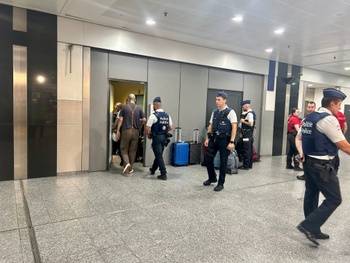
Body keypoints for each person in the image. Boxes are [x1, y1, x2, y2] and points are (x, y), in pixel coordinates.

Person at [295, 88, 350, 246]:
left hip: (309, 163)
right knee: (334, 198)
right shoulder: (329, 119)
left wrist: (302, 153)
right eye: (339, 104)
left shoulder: (309, 117)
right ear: (332, 103)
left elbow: (299, 138)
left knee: (311, 195)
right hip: (322, 165)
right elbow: (344, 146)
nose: (340, 108)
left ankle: (314, 229)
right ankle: (308, 225)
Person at [203, 91, 237, 191]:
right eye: (216, 99)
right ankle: (212, 177)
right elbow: (210, 125)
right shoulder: (215, 112)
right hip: (214, 138)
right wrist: (207, 138)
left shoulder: (230, 112)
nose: (217, 101)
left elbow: (234, 127)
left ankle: (221, 183)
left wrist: (232, 142)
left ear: (224, 100)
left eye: (219, 100)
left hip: (225, 139)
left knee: (223, 161)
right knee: (208, 159)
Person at [116, 94, 146, 175]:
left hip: (126, 130)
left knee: (123, 148)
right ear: (135, 100)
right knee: (133, 150)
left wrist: (118, 130)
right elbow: (144, 119)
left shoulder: (124, 107)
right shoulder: (139, 107)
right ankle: (130, 168)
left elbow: (120, 120)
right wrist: (140, 125)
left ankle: (127, 163)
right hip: (136, 131)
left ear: (128, 99)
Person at [145, 97, 173, 180]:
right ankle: (153, 169)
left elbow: (147, 127)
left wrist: (148, 135)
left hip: (157, 137)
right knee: (159, 154)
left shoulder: (153, 116)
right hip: (164, 137)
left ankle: (163, 173)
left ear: (155, 106)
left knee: (159, 155)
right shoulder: (167, 115)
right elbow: (170, 127)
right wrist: (163, 130)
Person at [297, 101, 316, 180]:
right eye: (309, 107)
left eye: (312, 107)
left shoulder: (317, 118)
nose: (310, 109)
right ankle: (306, 174)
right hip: (306, 142)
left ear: (315, 108)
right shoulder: (306, 118)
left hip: (314, 143)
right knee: (305, 159)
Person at [238, 100, 256, 170]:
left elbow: (251, 124)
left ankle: (245, 166)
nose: (242, 108)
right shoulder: (246, 113)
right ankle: (249, 165)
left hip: (247, 134)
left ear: (246, 106)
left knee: (246, 150)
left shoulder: (250, 114)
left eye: (243, 107)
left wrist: (243, 121)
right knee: (249, 149)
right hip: (248, 134)